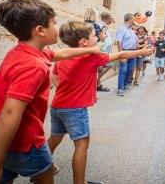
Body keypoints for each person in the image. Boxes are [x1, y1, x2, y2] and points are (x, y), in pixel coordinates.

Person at [0, 0, 103, 183]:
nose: (57, 28)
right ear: (40, 30)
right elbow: (9, 114)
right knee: (46, 174)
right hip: (21, 144)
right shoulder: (34, 66)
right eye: (54, 23)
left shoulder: (23, 51)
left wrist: (90, 51)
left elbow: (61, 54)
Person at [47, 21, 151, 184]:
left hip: (57, 106)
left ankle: (42, 168)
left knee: (54, 138)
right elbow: (120, 55)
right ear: (84, 42)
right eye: (94, 36)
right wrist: (142, 51)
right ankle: (80, 182)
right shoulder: (91, 56)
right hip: (75, 109)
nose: (97, 38)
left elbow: (54, 76)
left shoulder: (63, 56)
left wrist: (65, 89)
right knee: (82, 144)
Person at [115, 13, 138, 96]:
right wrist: (121, 55)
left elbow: (137, 41)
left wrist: (145, 39)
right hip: (125, 51)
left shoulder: (130, 30)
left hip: (132, 52)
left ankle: (126, 84)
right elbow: (119, 41)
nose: (134, 21)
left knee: (130, 70)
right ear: (129, 20)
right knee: (123, 70)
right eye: (133, 19)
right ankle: (120, 88)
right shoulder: (122, 28)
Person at [97, 11, 115, 92]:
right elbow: (101, 38)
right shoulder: (101, 26)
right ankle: (96, 82)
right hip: (102, 51)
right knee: (105, 66)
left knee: (103, 67)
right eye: (110, 19)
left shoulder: (105, 26)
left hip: (105, 52)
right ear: (108, 19)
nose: (111, 21)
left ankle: (98, 84)